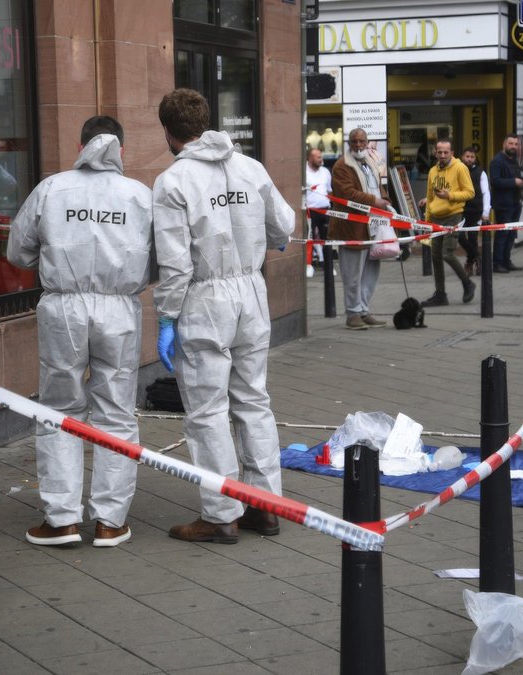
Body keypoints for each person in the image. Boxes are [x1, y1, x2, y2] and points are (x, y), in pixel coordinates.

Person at [152, 89, 295, 543]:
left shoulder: (174, 182)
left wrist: (167, 317)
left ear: (169, 133)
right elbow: (284, 227)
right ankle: (265, 506)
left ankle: (221, 514)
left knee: (208, 410)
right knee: (254, 401)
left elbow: (175, 264)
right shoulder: (250, 167)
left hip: (205, 298)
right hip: (252, 292)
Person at [6, 116, 153, 548]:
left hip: (63, 308)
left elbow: (18, 250)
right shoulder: (140, 196)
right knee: (117, 412)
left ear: (80, 143)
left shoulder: (53, 188)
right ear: (121, 150)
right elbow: (161, 258)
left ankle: (62, 519)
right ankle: (110, 520)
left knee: (58, 409)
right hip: (120, 310)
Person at [330, 127, 393, 329]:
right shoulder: (342, 165)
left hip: (373, 225)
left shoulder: (370, 162)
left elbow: (378, 186)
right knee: (352, 273)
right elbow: (347, 194)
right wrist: (376, 201)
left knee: (371, 270)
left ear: (367, 143)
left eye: (361, 141)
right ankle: (353, 313)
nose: (358, 145)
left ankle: (364, 310)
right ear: (349, 143)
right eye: (354, 141)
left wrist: (385, 200)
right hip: (352, 227)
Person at [417, 139, 476, 306]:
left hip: (453, 215)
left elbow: (470, 192)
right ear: (435, 153)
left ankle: (467, 283)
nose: (442, 155)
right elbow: (430, 197)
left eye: (446, 152)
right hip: (436, 216)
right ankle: (440, 294)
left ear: (452, 153)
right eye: (439, 152)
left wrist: (449, 196)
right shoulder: (432, 171)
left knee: (447, 253)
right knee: (435, 256)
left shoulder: (460, 168)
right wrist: (428, 222)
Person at [489, 134, 523, 273]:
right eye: (511, 144)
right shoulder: (497, 161)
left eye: (516, 144)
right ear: (504, 144)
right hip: (503, 204)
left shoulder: (514, 160)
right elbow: (495, 181)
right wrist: (513, 182)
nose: (514, 146)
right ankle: (497, 263)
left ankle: (506, 261)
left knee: (511, 235)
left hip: (516, 202)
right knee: (502, 234)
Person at [459, 146, 491, 275]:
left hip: (475, 210)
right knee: (459, 237)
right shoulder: (457, 170)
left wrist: (486, 212)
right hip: (460, 210)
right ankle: (477, 257)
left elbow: (486, 193)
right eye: (467, 157)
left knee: (472, 239)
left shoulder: (480, 172)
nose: (470, 159)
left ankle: (470, 262)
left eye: (472, 157)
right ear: (462, 157)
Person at [305, 147, 332, 277]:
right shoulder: (303, 171)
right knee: (309, 238)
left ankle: (328, 265)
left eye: (321, 157)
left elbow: (329, 190)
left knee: (326, 239)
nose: (321, 160)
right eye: (318, 157)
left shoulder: (326, 172)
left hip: (325, 210)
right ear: (310, 158)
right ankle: (308, 265)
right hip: (310, 211)